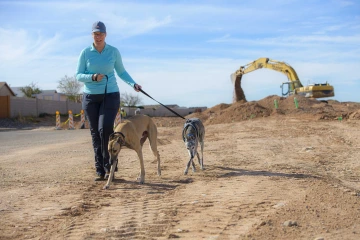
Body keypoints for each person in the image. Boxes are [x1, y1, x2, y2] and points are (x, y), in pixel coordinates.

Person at [76, 21, 142, 181]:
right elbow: (78, 75)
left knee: (105, 129)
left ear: (105, 35)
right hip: (90, 97)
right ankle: (100, 170)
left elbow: (121, 71)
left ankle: (110, 164)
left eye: (100, 34)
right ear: (92, 35)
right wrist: (92, 77)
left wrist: (133, 84)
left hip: (110, 95)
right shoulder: (85, 53)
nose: (98, 37)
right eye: (95, 34)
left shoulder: (113, 52)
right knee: (95, 133)